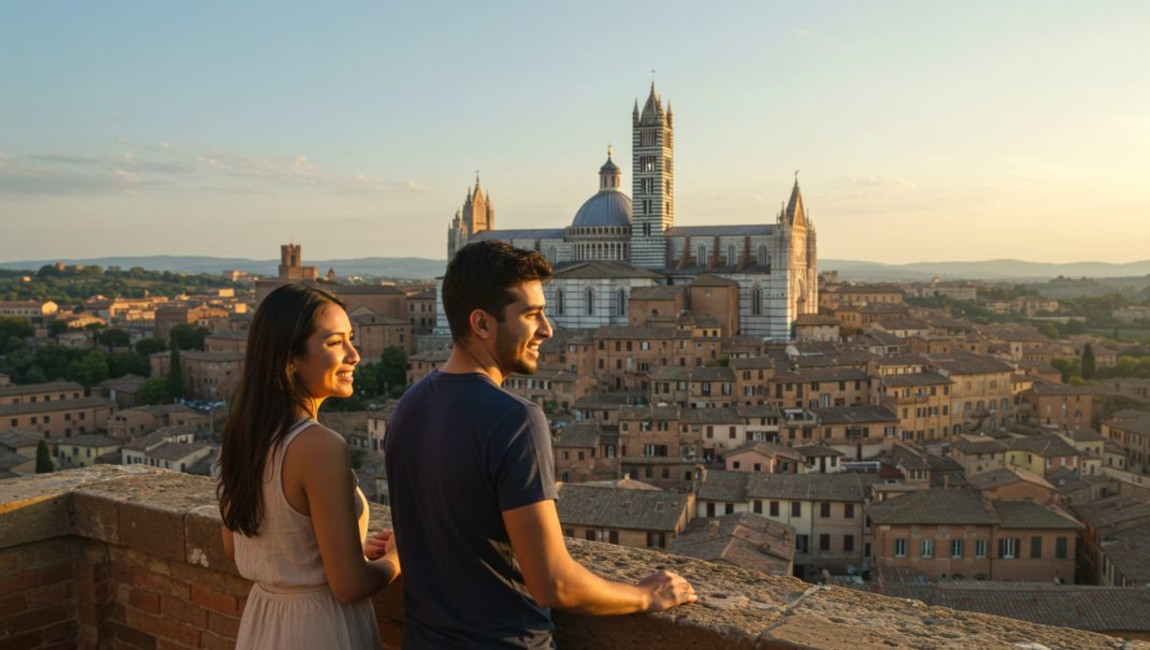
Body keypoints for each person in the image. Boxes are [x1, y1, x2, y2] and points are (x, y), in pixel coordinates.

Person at [385, 240, 696, 649]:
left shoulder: (408, 406)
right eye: (532, 315)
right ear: (481, 323)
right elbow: (553, 583)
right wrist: (645, 594)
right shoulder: (514, 419)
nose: (547, 329)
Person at [217, 284, 399, 650]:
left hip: (263, 623)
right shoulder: (320, 446)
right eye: (335, 343)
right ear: (291, 358)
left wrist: (341, 544)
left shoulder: (244, 435)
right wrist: (400, 554)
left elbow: (238, 545)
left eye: (351, 339)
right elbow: (349, 585)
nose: (355, 355)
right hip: (321, 629)